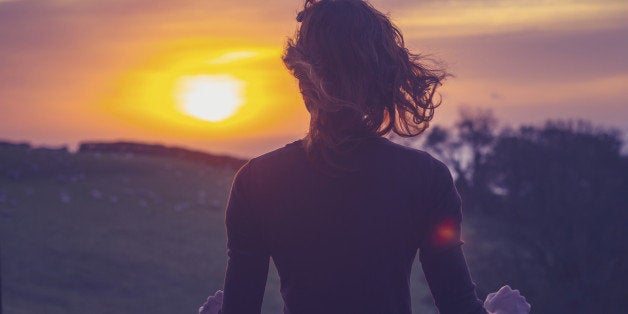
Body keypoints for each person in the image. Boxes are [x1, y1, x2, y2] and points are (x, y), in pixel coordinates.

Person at [200, 0, 531, 313]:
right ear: (382, 77)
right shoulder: (426, 179)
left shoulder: (256, 182)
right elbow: (458, 306)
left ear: (303, 80)